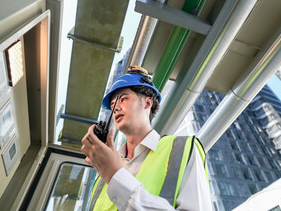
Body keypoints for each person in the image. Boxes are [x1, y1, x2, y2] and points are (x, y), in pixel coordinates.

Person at [81, 66, 212, 210]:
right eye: (112, 105)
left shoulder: (182, 148)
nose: (116, 108)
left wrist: (114, 176)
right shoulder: (102, 173)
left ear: (148, 103)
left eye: (123, 99)